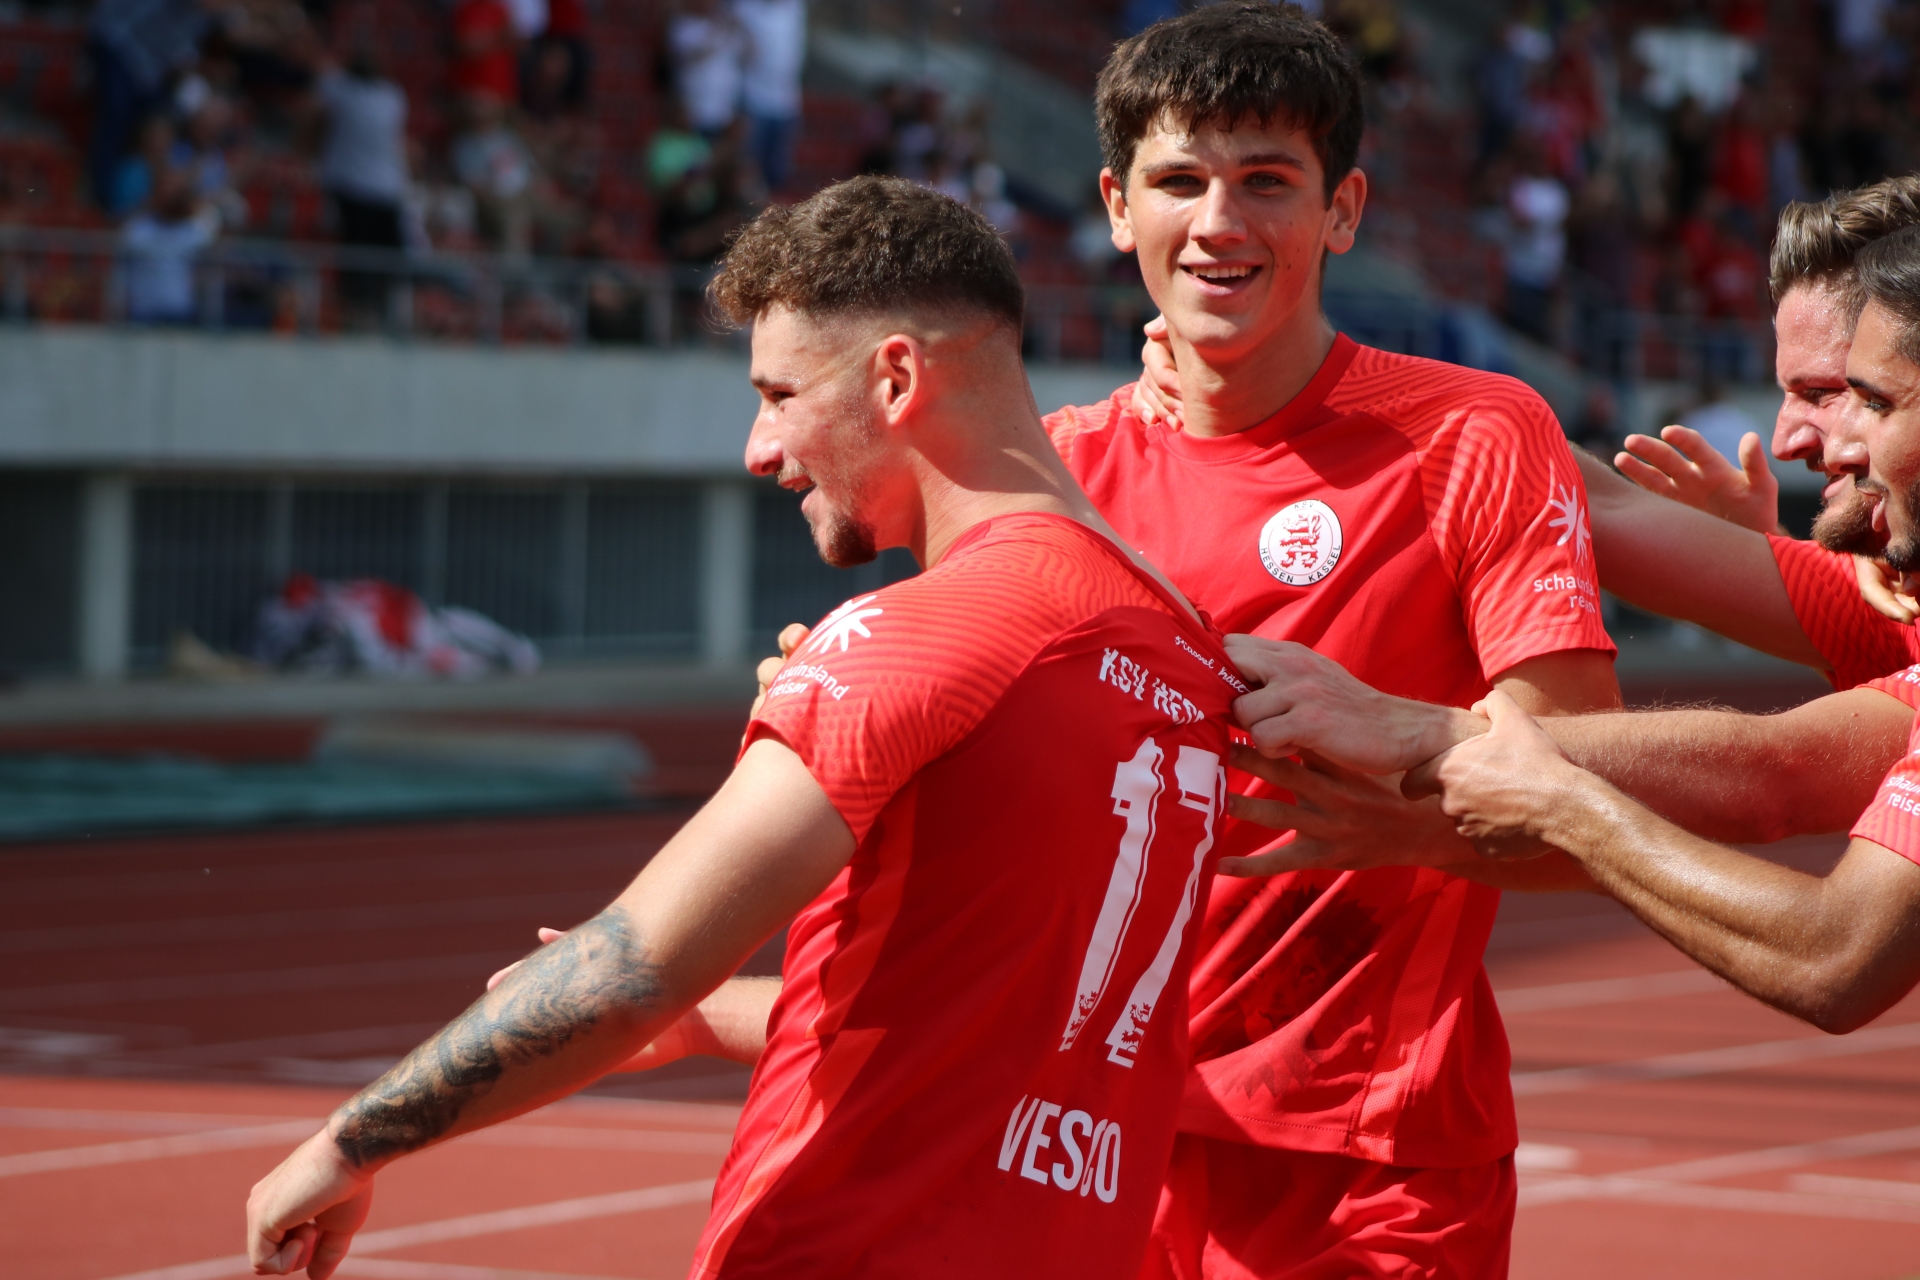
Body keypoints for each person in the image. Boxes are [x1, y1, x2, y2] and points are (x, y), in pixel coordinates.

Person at [243, 176, 1239, 1280]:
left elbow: (632, 966)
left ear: (895, 377)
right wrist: (706, 1016)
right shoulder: (1187, 646)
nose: (759, 448)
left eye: (779, 393)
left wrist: (349, 1143)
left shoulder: (919, 634)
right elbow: (1001, 1009)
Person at [1221, 225, 1920, 1036]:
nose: (1799, 435)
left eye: (1854, 396)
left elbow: (1792, 816)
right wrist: (1250, 369)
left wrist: (1484, 768)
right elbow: (1567, 485)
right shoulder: (1881, 594)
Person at [733, 0, 805, 192]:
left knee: (778, 171)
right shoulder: (745, 8)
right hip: (755, 98)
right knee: (751, 167)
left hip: (787, 101)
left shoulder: (794, 8)